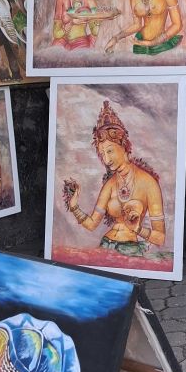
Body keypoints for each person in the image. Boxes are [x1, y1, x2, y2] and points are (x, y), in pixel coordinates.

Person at [64, 100, 165, 257]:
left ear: (124, 146)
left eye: (109, 151)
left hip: (129, 250)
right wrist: (74, 206)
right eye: (102, 154)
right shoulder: (110, 184)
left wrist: (138, 229)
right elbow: (92, 224)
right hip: (105, 245)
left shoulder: (149, 183)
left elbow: (160, 238)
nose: (106, 159)